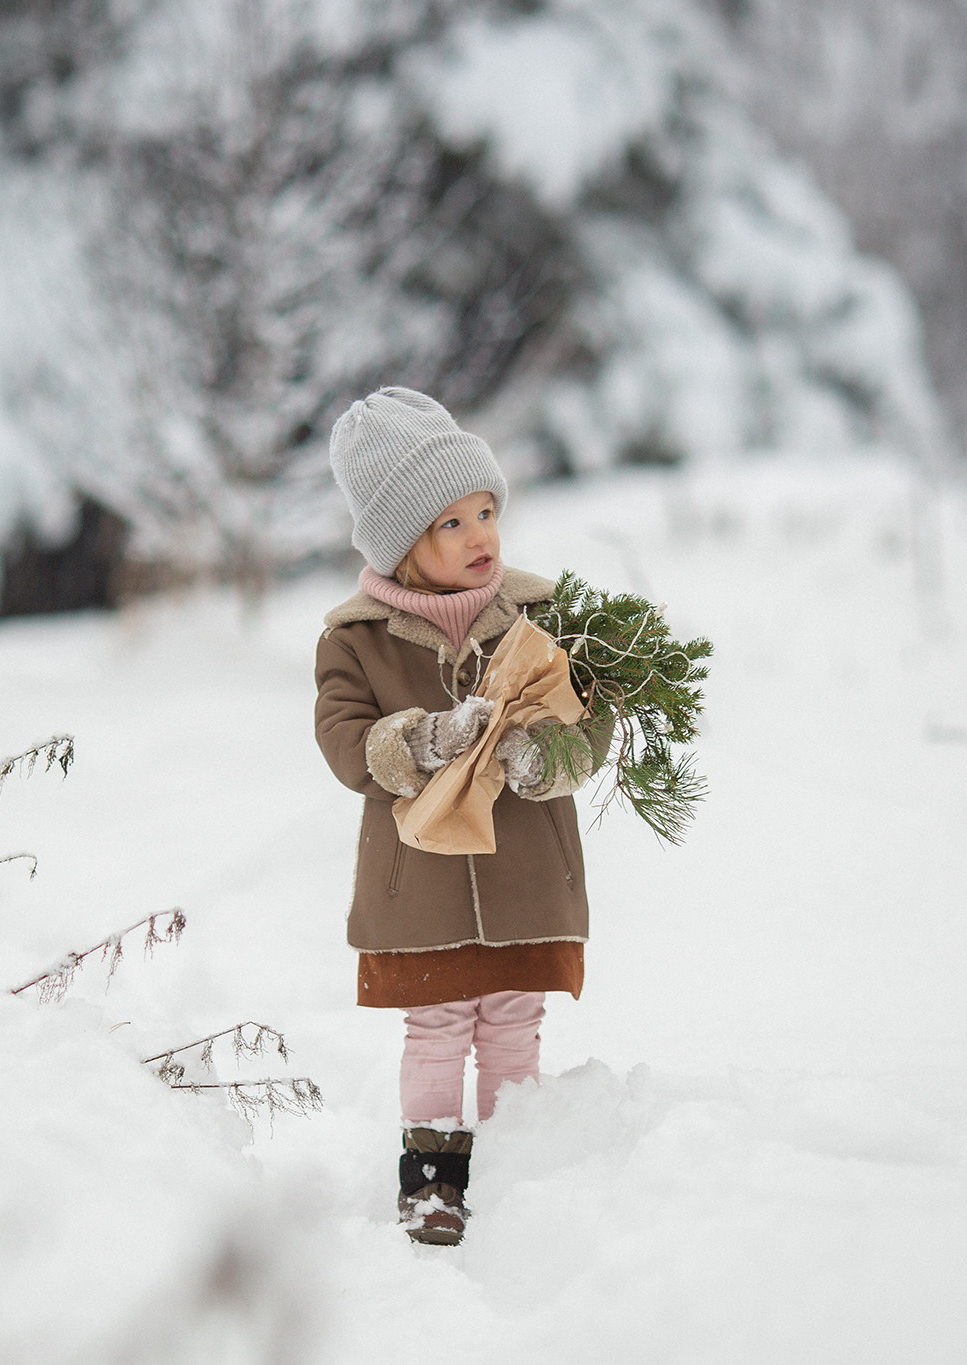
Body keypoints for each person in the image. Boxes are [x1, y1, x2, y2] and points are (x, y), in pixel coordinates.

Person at [313, 387, 607, 1246]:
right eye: (452, 523)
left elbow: (595, 718)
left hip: (522, 871)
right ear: (403, 545)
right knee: (438, 1024)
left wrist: (546, 756)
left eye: (486, 510)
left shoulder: (541, 616)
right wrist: (426, 740)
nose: (482, 535)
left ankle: (518, 1162)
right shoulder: (355, 640)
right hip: (424, 882)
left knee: (514, 1017)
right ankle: (434, 1180)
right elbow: (344, 741)